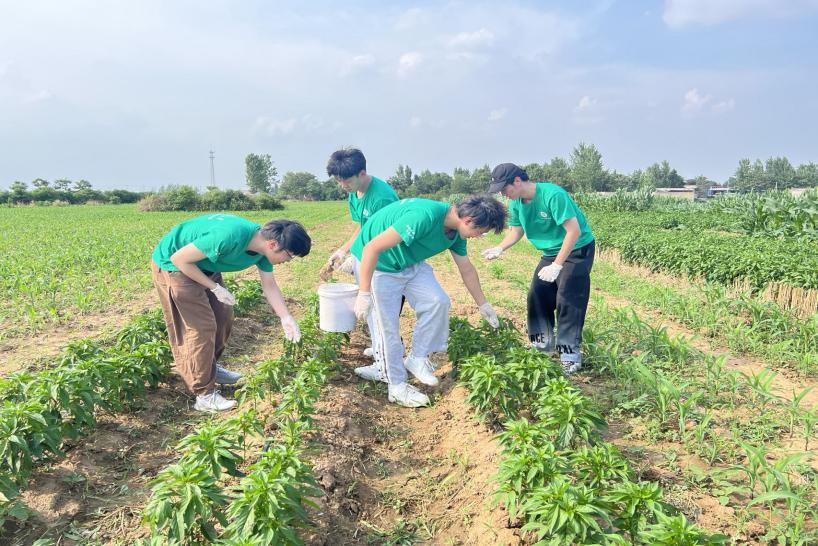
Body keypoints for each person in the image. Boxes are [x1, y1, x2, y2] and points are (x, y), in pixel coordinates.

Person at [351, 195, 506, 407]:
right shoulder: (423, 216)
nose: (479, 236)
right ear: (468, 220)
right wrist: (364, 292)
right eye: (481, 231)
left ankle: (417, 358)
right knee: (386, 328)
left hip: (409, 261)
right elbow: (371, 248)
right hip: (379, 265)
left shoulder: (456, 233)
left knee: (438, 301)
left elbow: (466, 268)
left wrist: (483, 304)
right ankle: (396, 386)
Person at [151, 214, 311, 412]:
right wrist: (215, 288)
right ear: (272, 244)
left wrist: (286, 317)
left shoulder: (262, 250)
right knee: (202, 326)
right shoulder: (229, 236)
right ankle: (204, 394)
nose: (288, 261)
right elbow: (180, 259)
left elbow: (269, 285)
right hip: (174, 265)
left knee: (223, 314)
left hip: (203, 264)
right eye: (289, 255)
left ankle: (210, 368)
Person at [482, 163, 595, 374]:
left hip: (577, 248)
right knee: (537, 294)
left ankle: (570, 354)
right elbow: (517, 231)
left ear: (517, 180)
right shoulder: (516, 202)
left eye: (504, 188)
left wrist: (557, 266)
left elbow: (573, 231)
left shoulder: (553, 195)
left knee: (567, 297)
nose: (504, 194)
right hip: (551, 251)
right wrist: (500, 248)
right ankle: (542, 345)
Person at [323, 147, 400, 358]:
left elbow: (383, 239)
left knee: (382, 313)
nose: (342, 185)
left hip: (388, 261)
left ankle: (386, 357)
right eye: (338, 181)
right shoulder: (354, 192)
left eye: (346, 180)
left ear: (362, 174)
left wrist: (358, 257)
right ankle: (379, 347)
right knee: (374, 312)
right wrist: (343, 251)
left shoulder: (381, 198)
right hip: (370, 255)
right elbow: (363, 228)